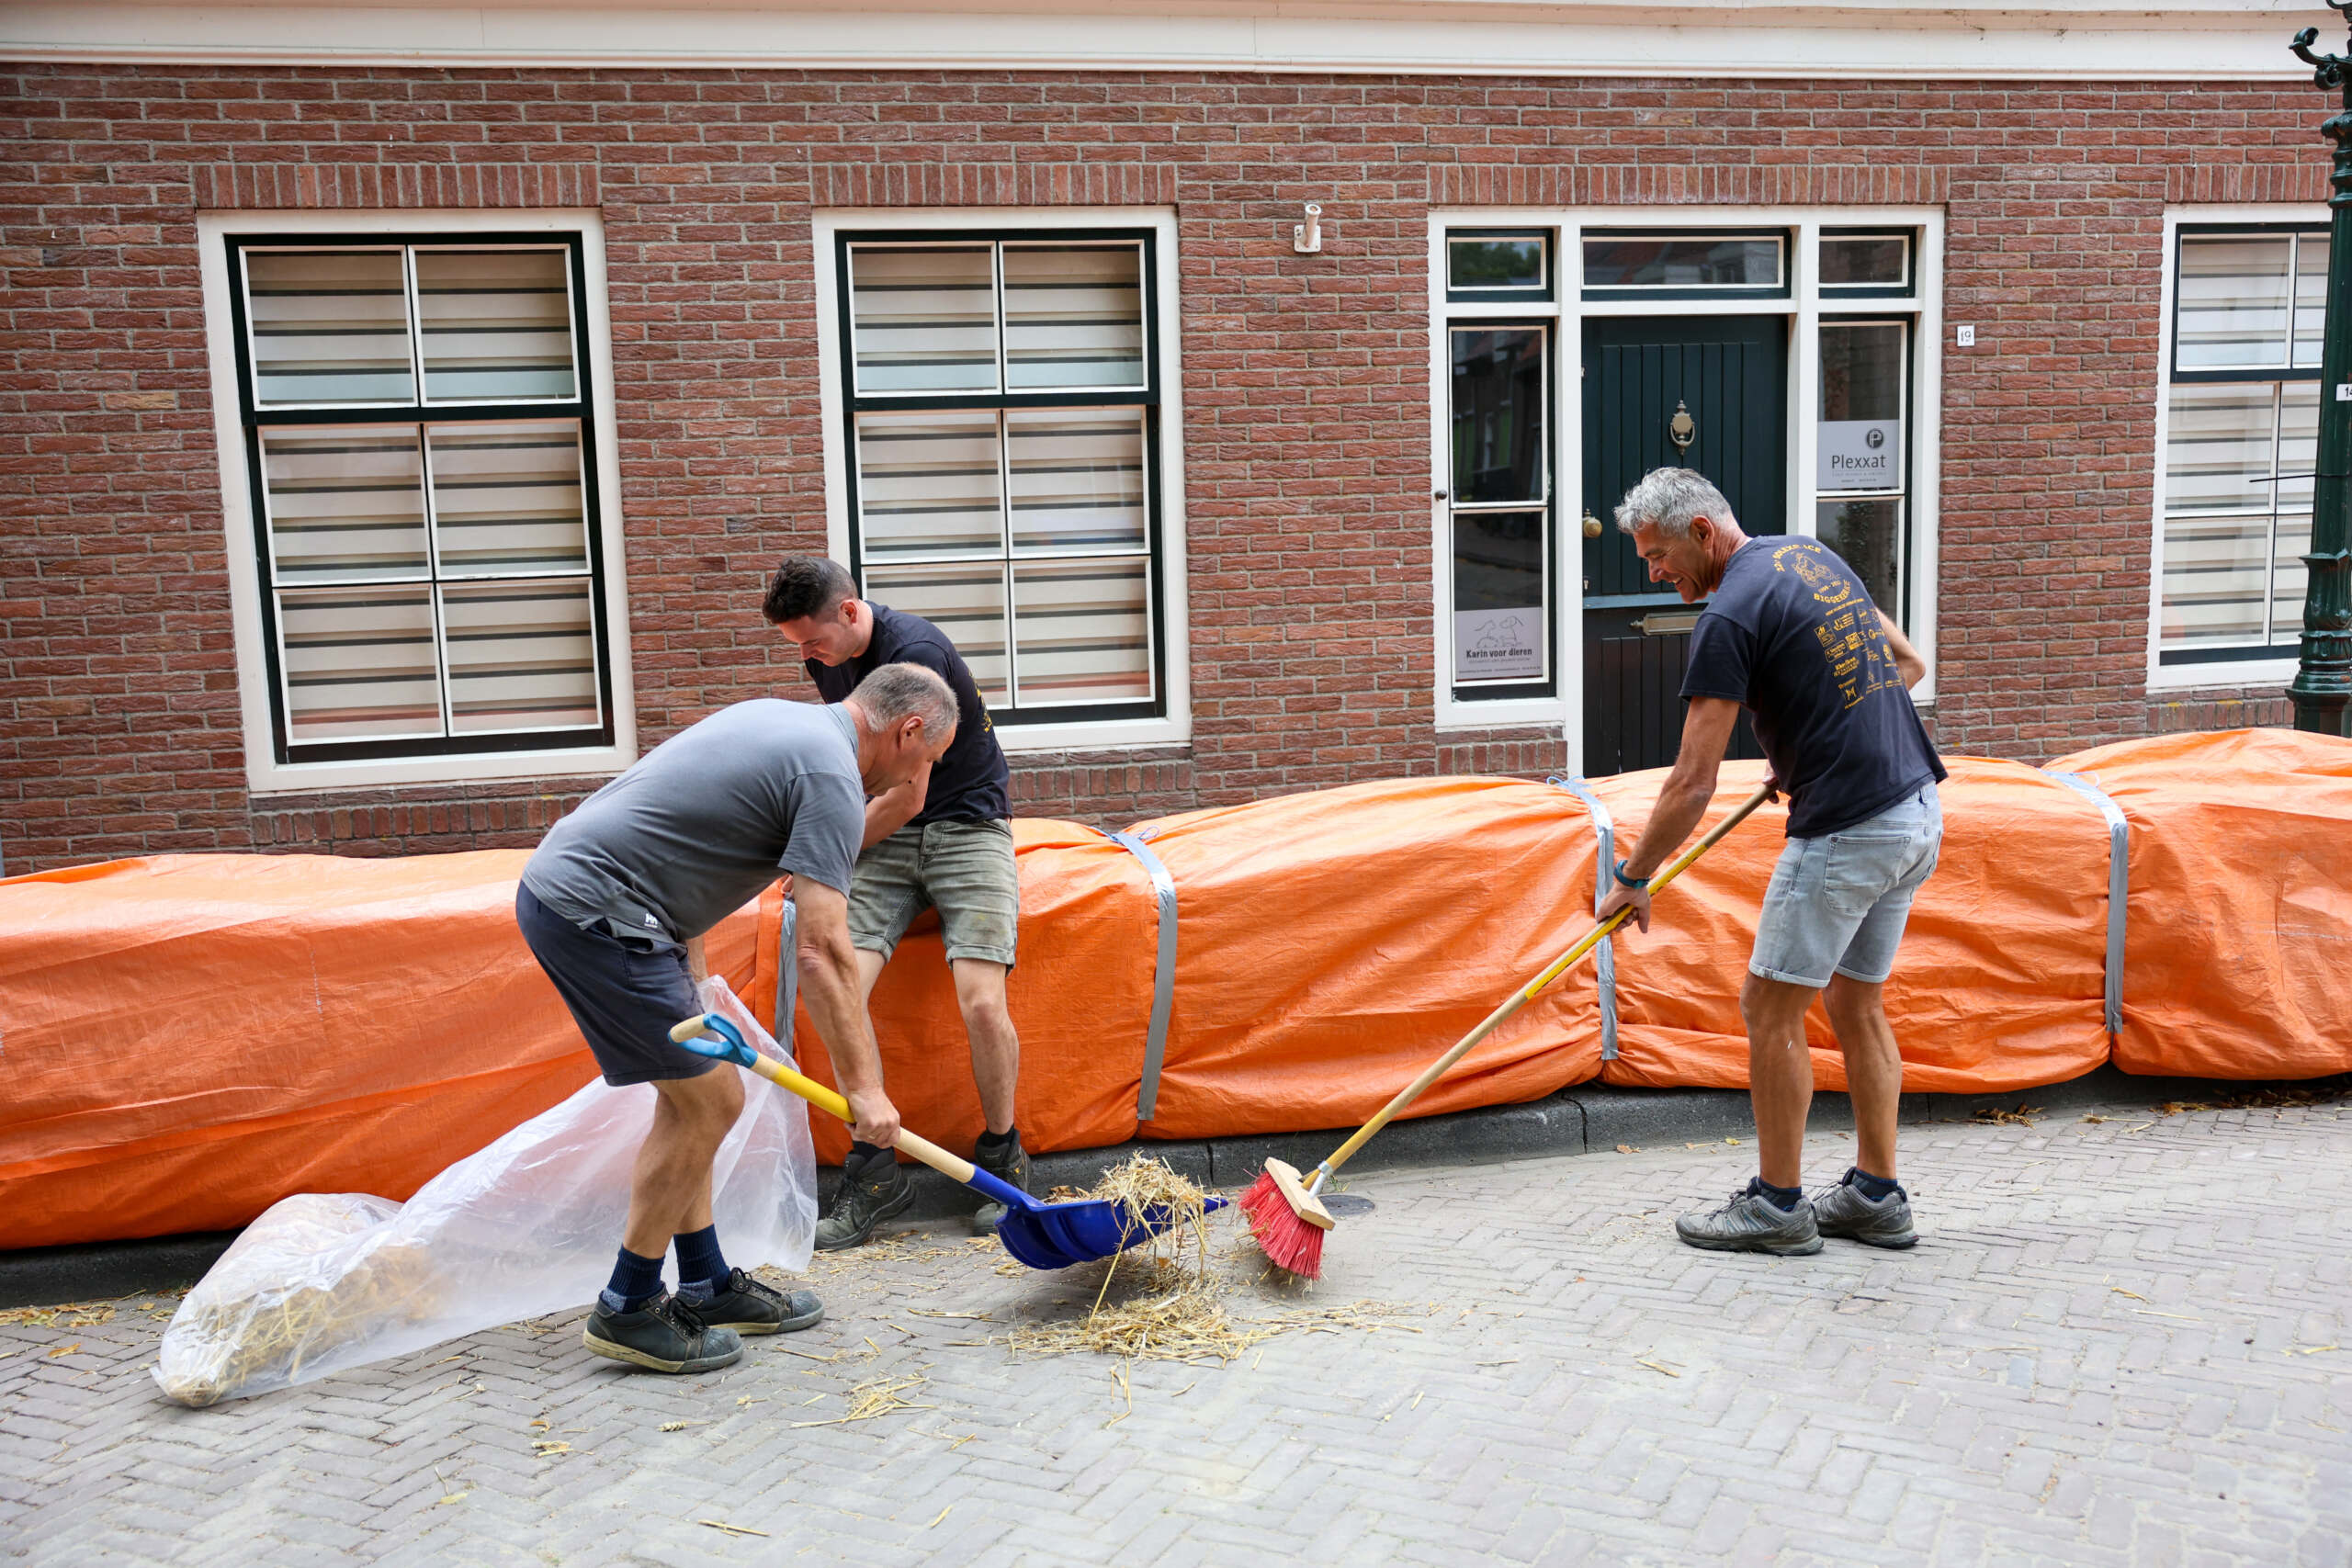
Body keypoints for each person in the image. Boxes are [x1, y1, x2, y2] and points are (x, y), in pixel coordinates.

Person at [516, 663, 956, 1372]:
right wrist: (866, 1090)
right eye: (927, 759)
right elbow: (822, 950)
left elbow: (680, 832)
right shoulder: (831, 776)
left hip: (608, 903)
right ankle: (628, 1306)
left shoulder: (793, 728)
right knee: (711, 1100)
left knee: (693, 1099)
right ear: (907, 731)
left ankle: (706, 1282)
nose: (917, 780)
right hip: (595, 910)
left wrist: (691, 977)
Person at [1595, 468, 1944, 1257]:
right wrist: (1813, 742)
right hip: (1916, 811)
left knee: (1769, 1007)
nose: (1654, 573)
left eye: (1657, 556)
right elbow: (1906, 662)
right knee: (1856, 1002)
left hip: (1849, 830)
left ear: (1702, 532)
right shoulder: (1809, 557)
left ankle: (1778, 1206)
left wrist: (1632, 877)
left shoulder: (1729, 614)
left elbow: (1692, 782)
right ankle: (1877, 1196)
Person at [762, 556, 1032, 1247]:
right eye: (798, 645)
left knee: (981, 1001)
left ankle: (1003, 1153)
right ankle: (876, 1172)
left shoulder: (917, 655)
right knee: (838, 987)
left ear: (851, 612)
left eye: (813, 641)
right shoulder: (828, 657)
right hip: (886, 830)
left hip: (967, 824)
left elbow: (908, 795)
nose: (807, 656)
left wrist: (823, 853)